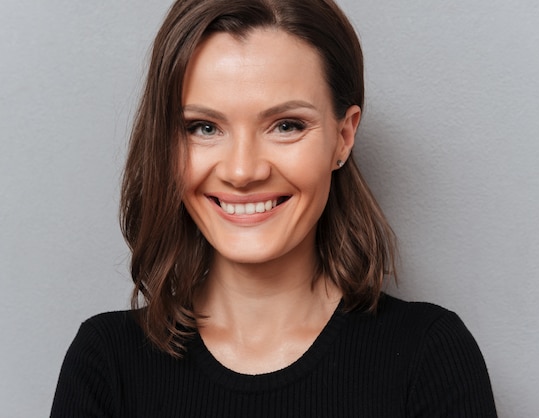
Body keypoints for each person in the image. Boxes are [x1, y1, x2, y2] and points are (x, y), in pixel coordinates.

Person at [51, 0, 497, 416]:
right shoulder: (106, 362)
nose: (243, 171)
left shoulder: (429, 356)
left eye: (286, 125)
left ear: (343, 137)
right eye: (203, 128)